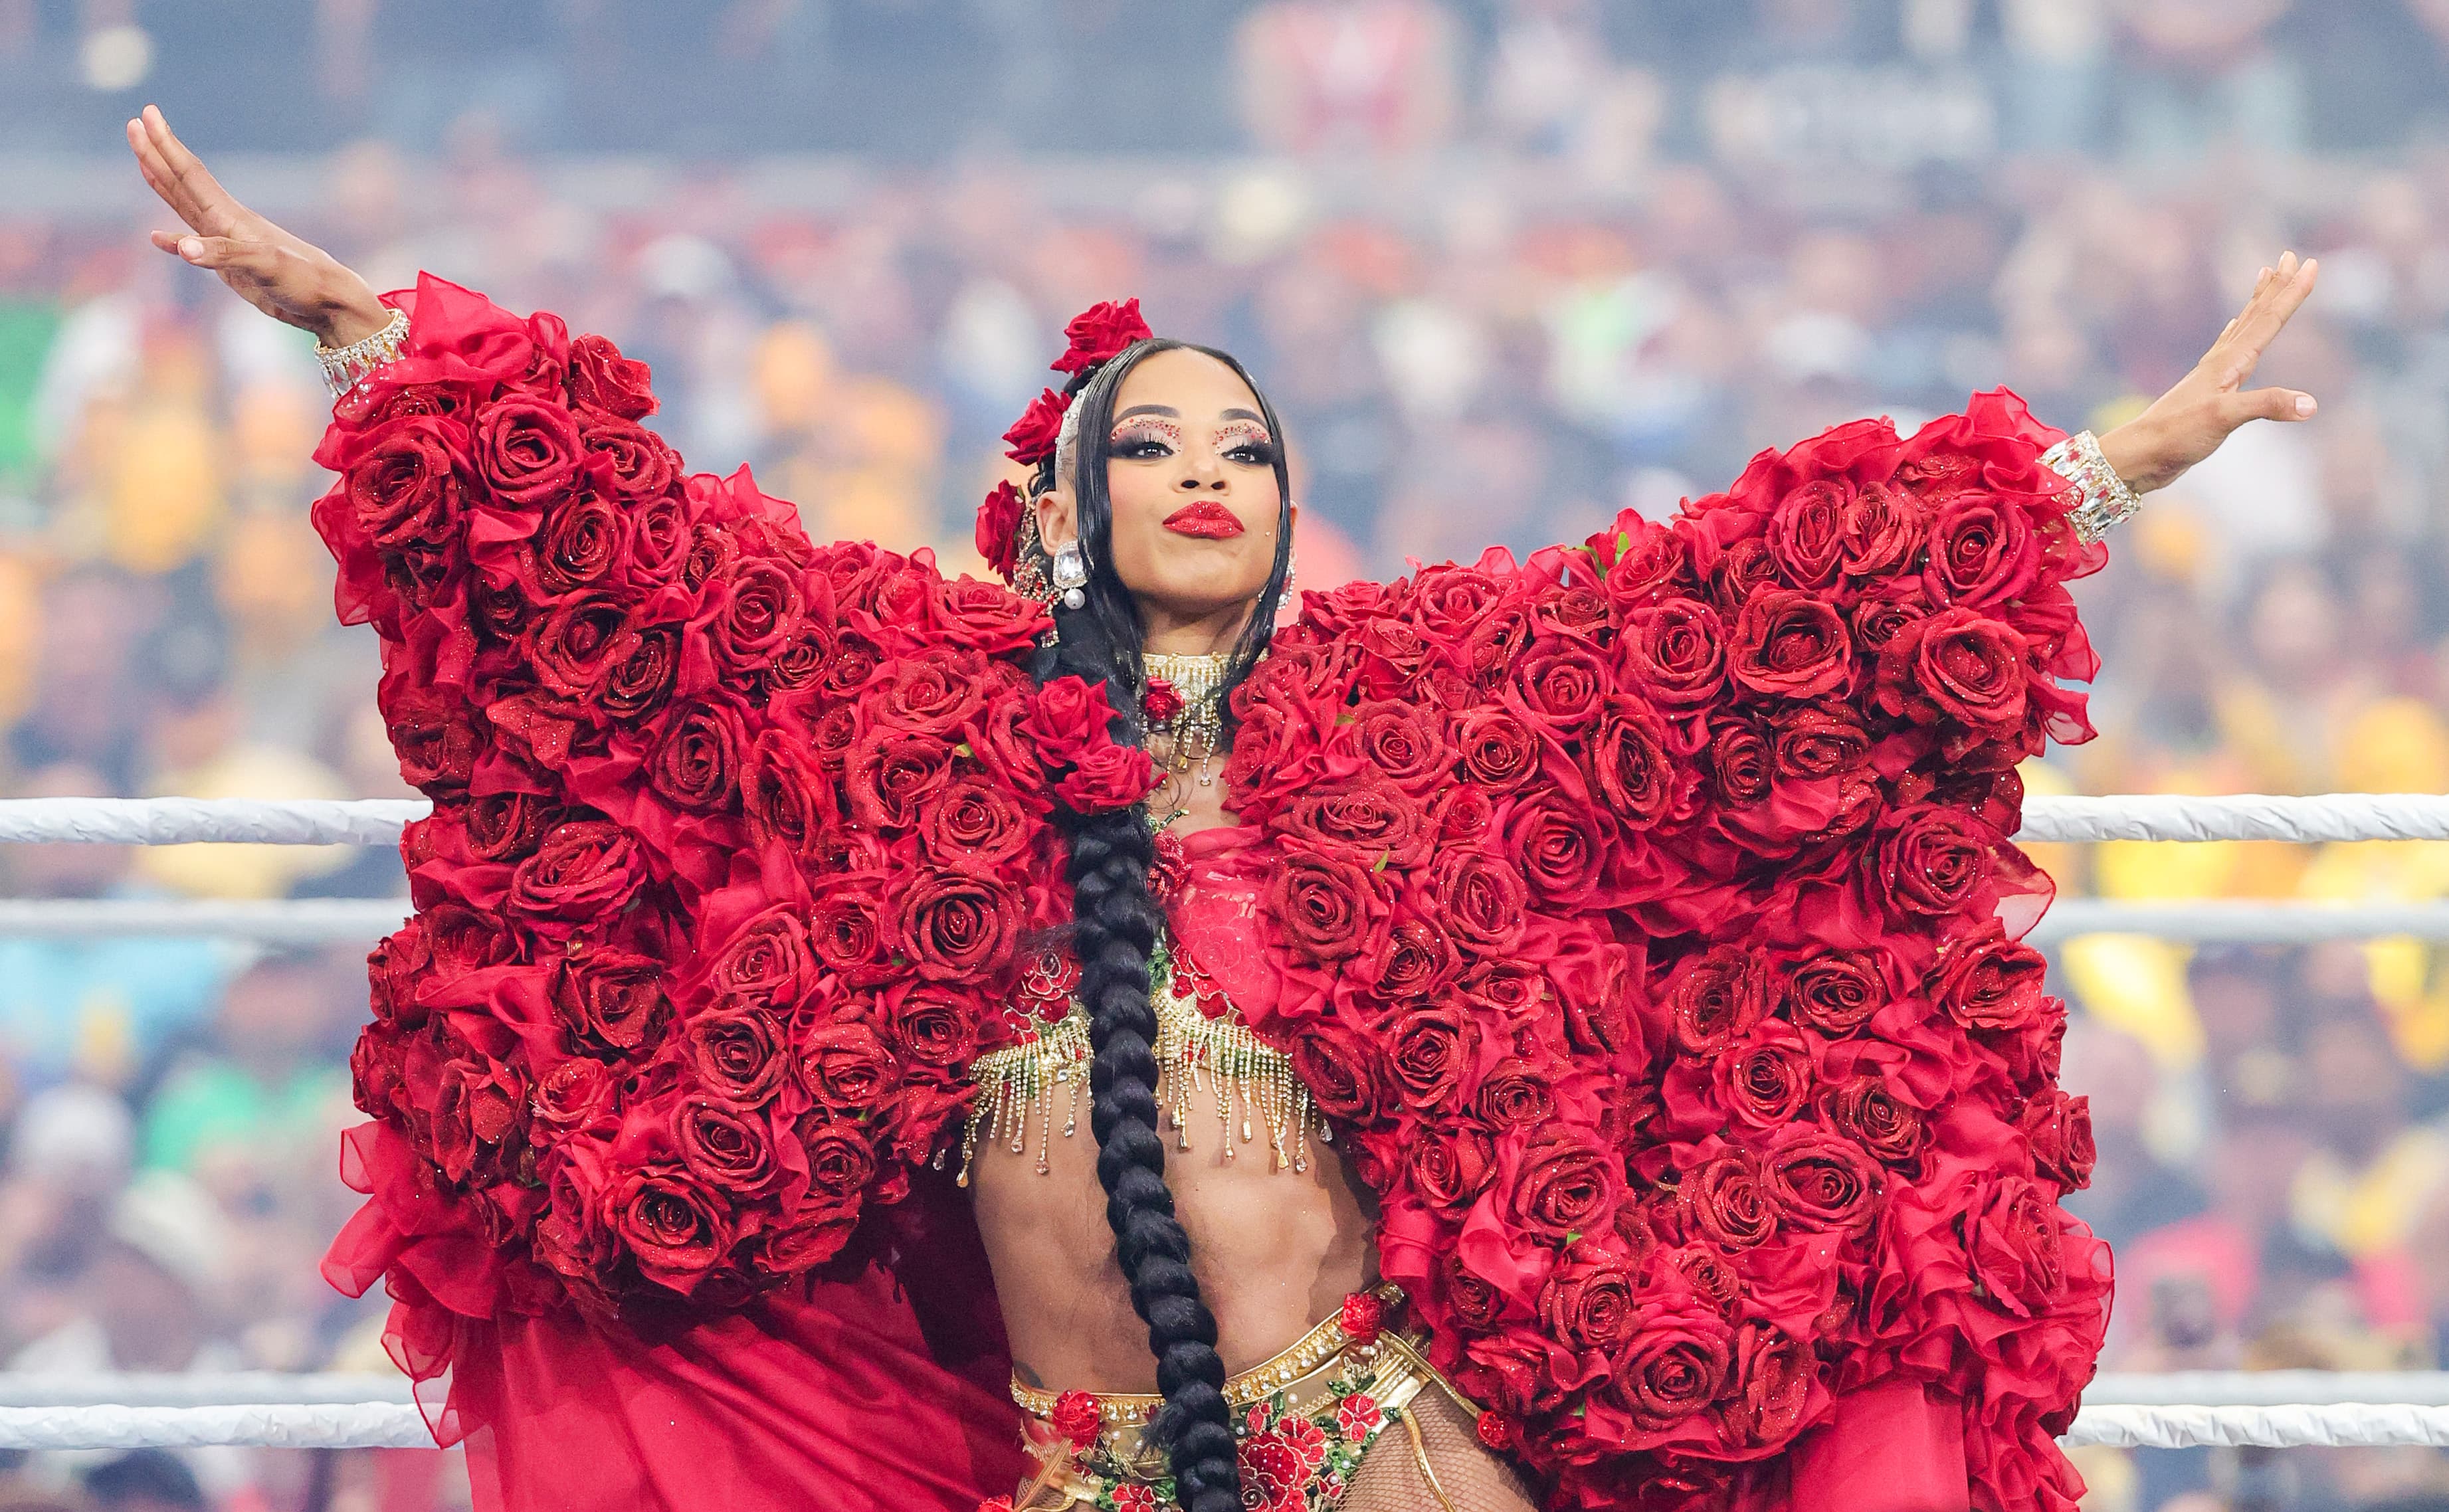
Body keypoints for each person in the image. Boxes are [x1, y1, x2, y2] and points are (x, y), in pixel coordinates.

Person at [124, 102, 2323, 1512]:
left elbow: (1747, 612)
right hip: (1072, 1473)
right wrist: (380, 343)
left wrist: (2096, 468)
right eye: (1160, 438)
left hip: (1380, 1458)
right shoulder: (928, 712)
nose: (1211, 470)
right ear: (1069, 502)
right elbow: (675, 577)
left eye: (1251, 444)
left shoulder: (1419, 695)